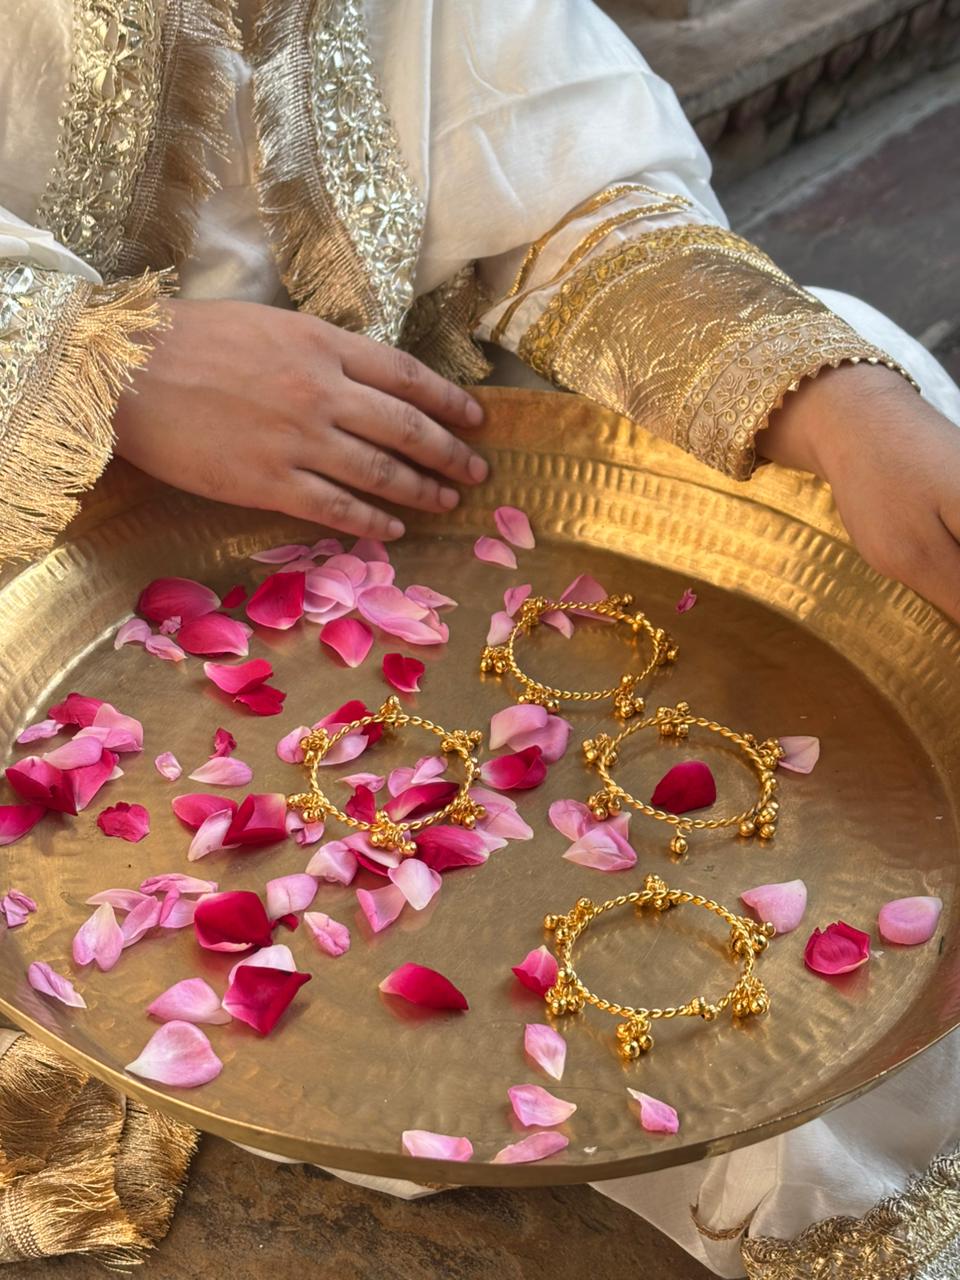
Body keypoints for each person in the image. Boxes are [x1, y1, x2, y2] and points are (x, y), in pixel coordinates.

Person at [0, 0, 958, 1273]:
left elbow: (557, 177)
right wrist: (94, 364)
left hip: (385, 440)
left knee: (869, 369)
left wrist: (836, 405)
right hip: (34, 503)